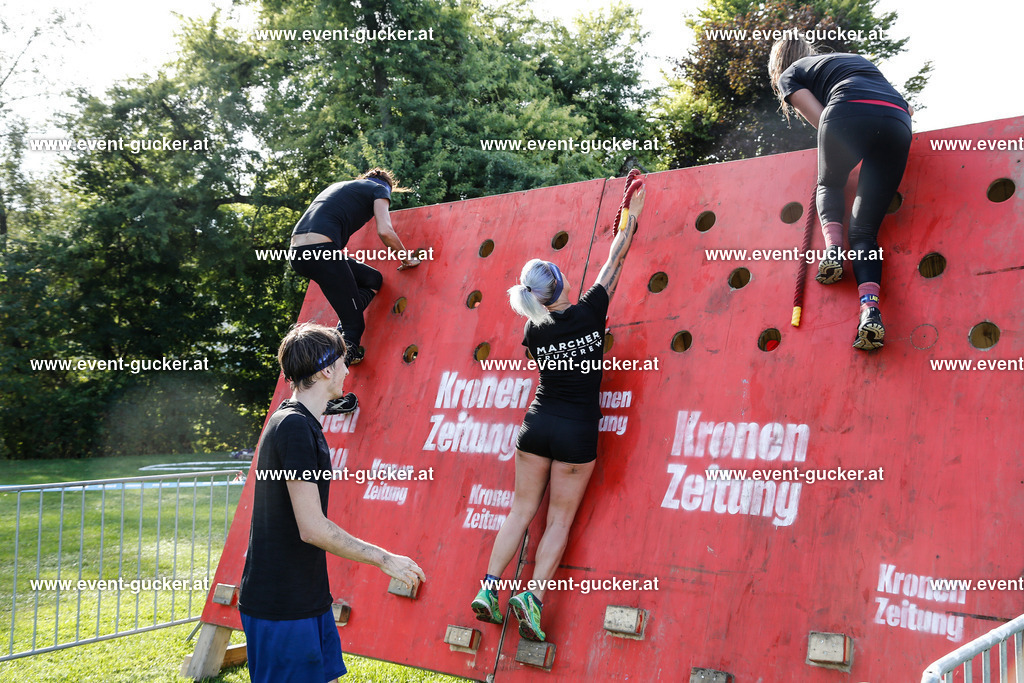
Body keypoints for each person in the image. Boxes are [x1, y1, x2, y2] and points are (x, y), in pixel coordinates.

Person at [470, 184, 647, 641]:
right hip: (577, 432)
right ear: (561, 283)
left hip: (536, 427)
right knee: (558, 521)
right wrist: (631, 214)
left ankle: (490, 589)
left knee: (520, 510)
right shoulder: (590, 311)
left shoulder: (533, 331)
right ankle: (531, 597)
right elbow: (617, 258)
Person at [238, 323, 425, 682]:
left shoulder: (300, 422)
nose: (347, 369)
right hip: (282, 607)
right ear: (326, 369)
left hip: (307, 598)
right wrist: (384, 558)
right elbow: (312, 528)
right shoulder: (293, 426)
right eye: (343, 361)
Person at [768, 37, 914, 350]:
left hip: (848, 111)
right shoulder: (853, 61)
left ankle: (834, 251)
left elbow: (823, 122)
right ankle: (870, 310)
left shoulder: (790, 74)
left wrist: (843, 149)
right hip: (897, 120)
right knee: (864, 234)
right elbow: (907, 106)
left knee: (830, 183)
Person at [289, 168, 421, 414]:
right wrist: (407, 258)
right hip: (323, 252)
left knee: (373, 279)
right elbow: (385, 230)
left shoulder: (343, 186)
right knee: (354, 325)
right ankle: (327, 398)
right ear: (387, 187)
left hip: (299, 254)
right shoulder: (379, 189)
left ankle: (342, 346)